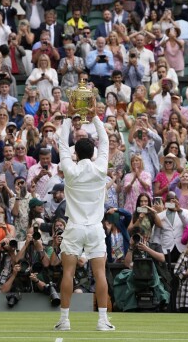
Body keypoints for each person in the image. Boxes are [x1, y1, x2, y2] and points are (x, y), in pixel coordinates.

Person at [54, 96, 113, 331]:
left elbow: (61, 142)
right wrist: (95, 115)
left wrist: (70, 117)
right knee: (100, 274)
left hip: (75, 228)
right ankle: (102, 321)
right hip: (95, 229)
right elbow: (106, 140)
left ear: (75, 153)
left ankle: (65, 320)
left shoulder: (69, 168)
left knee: (68, 272)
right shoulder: (100, 168)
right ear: (94, 153)